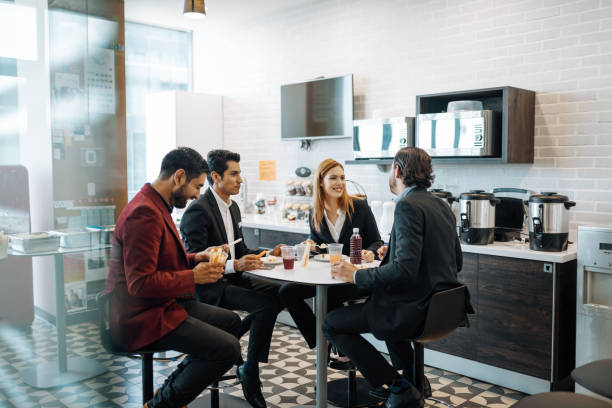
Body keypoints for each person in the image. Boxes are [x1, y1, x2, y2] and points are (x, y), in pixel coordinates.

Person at [322, 147, 467, 408]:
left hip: (414, 310)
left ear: (397, 170)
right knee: (385, 313)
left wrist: (356, 275)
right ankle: (413, 380)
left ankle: (399, 387)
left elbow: (404, 271)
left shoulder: (406, 205)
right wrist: (395, 254)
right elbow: (456, 261)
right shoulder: (441, 205)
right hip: (443, 308)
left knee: (331, 323)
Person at [103, 147, 242, 408]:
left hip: (161, 304)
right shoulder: (144, 213)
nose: (197, 195)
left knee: (232, 323)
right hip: (139, 316)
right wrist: (193, 277)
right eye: (197, 187)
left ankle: (169, 390)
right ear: (179, 176)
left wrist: (197, 257)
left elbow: (161, 262)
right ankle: (161, 405)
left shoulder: (156, 206)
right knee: (228, 349)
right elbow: (140, 283)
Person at [180, 149, 284, 408]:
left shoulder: (233, 207)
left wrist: (268, 253)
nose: (240, 179)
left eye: (240, 173)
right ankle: (250, 371)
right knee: (265, 305)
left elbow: (241, 250)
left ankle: (232, 342)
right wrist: (234, 265)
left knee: (282, 292)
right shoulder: (198, 211)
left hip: (233, 279)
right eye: (234, 174)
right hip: (210, 286)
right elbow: (195, 258)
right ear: (215, 176)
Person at [278, 158, 383, 354]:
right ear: (320, 181)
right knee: (287, 292)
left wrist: (370, 251)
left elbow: (377, 242)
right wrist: (310, 245)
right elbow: (318, 243)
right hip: (328, 274)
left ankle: (341, 348)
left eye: (342, 178)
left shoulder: (359, 207)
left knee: (330, 297)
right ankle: (320, 338)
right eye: (333, 178)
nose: (340, 183)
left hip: (353, 277)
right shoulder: (315, 212)